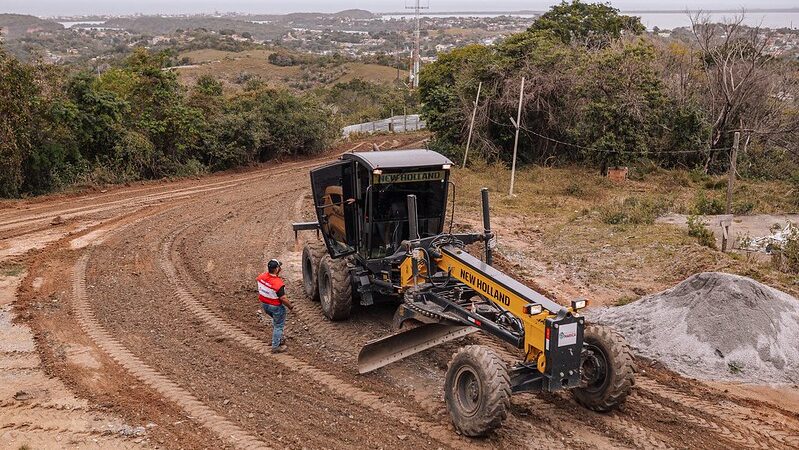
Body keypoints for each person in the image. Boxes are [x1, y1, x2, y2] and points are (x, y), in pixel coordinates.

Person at [257, 259, 293, 353]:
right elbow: (283, 298)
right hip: (276, 307)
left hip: (265, 305)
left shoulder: (261, 277)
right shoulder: (278, 283)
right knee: (278, 326)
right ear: (276, 269)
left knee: (276, 322)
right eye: (279, 267)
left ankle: (278, 339)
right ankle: (275, 346)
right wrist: (290, 306)